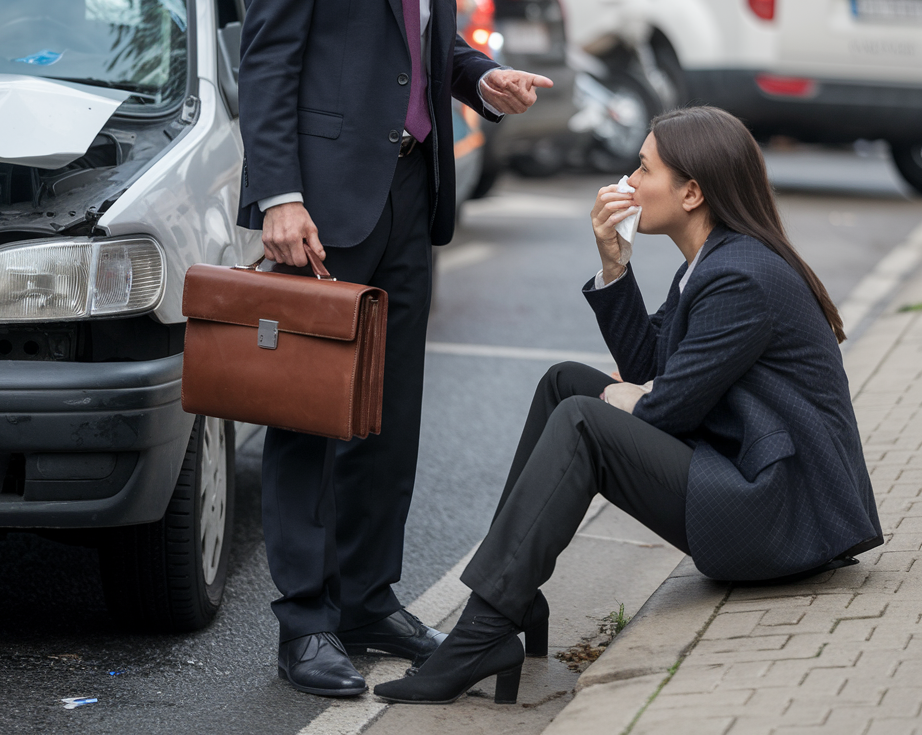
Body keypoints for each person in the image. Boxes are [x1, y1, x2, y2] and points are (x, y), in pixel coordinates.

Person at [375, 105, 883, 705]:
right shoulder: (711, 261)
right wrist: (615, 263)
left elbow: (663, 407)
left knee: (585, 420)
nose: (627, 184)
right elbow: (650, 371)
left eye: (643, 169)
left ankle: (485, 627)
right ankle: (511, 597)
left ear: (691, 192)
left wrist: (627, 395)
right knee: (566, 383)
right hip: (752, 478)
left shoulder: (740, 276)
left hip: (778, 514)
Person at [237, 0, 553, 697]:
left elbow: (428, 41)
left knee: (389, 418)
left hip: (411, 193)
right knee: (309, 420)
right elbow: (270, 61)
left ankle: (369, 598)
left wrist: (477, 77)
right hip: (322, 209)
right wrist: (280, 196)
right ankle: (305, 626)